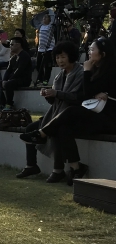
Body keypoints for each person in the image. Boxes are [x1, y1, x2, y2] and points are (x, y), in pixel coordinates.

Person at [20, 38, 116, 185]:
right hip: (90, 114)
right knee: (62, 128)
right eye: (89, 49)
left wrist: (104, 92)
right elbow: (89, 93)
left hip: (108, 118)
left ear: (102, 53)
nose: (89, 52)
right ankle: (76, 167)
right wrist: (50, 95)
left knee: (69, 113)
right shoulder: (87, 70)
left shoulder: (108, 70)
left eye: (92, 50)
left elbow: (83, 95)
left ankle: (43, 135)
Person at [16, 41, 84, 181]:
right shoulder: (60, 76)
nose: (60, 61)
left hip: (72, 115)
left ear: (71, 56)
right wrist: (48, 95)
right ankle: (31, 165)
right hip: (56, 112)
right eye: (58, 57)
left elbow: (77, 98)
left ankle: (58, 170)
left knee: (55, 130)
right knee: (30, 127)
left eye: (63, 57)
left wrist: (56, 93)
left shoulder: (80, 73)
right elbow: (55, 101)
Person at [1, 37, 33, 110]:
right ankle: (3, 104)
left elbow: (19, 70)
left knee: (8, 84)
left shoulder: (24, 56)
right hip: (14, 79)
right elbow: (8, 70)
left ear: (18, 45)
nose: (10, 46)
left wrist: (8, 80)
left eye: (12, 44)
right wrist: (4, 80)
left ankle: (9, 104)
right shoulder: (13, 57)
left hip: (24, 80)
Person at [35, 15, 56, 86]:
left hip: (49, 48)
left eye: (46, 18)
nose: (44, 19)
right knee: (38, 64)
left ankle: (46, 79)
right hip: (40, 48)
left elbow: (53, 19)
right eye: (43, 18)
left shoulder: (50, 26)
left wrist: (49, 12)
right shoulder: (40, 26)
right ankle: (40, 78)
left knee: (47, 65)